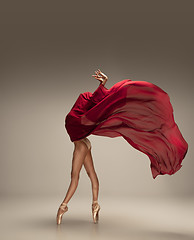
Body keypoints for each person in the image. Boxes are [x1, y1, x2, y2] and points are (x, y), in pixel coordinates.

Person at [56, 69, 188, 225]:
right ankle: (95, 205)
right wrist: (102, 86)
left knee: (75, 176)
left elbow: (94, 103)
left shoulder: (78, 118)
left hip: (81, 144)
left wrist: (102, 86)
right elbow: (94, 102)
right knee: (92, 174)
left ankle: (63, 207)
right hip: (83, 141)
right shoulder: (81, 113)